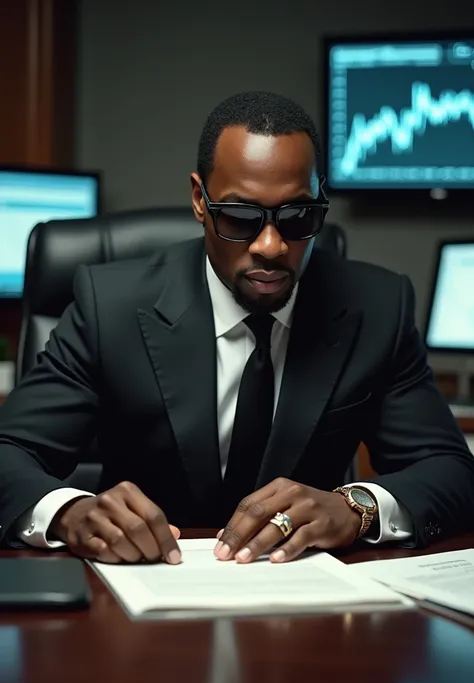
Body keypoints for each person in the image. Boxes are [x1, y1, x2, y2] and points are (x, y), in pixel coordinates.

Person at [0, 91, 473, 567]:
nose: (271, 246)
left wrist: (359, 509)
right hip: (145, 587)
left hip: (307, 596)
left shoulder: (377, 306)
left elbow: (453, 472)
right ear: (199, 201)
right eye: (241, 217)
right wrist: (69, 514)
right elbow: (10, 453)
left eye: (298, 217)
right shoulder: (112, 306)